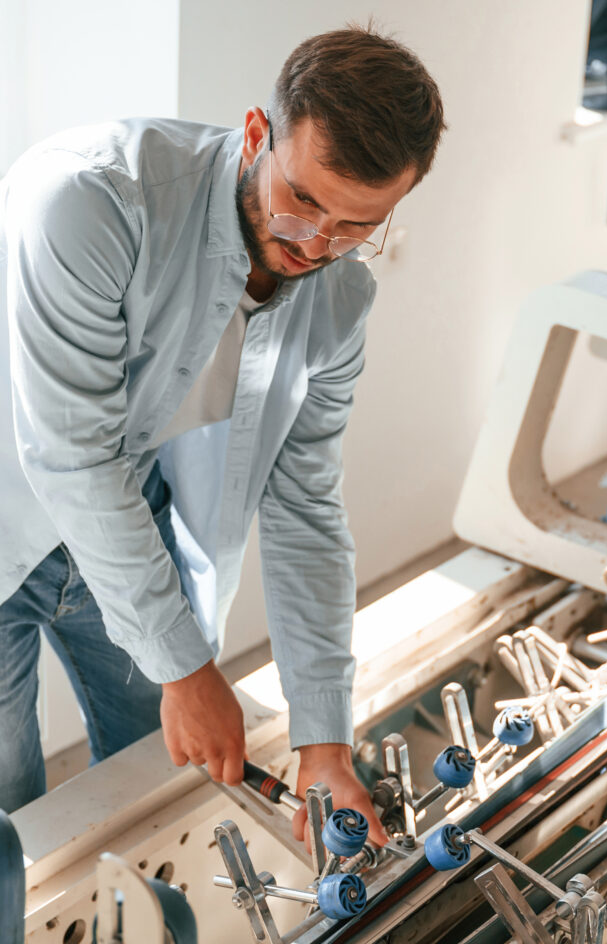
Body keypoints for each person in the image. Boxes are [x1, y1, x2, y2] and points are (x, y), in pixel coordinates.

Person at [0, 27, 445, 846]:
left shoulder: (339, 301)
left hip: (129, 532)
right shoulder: (90, 198)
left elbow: (305, 507)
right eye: (302, 200)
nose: (316, 245)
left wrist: (324, 742)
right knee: (13, 828)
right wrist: (185, 663)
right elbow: (74, 455)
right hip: (10, 517)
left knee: (152, 796)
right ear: (254, 134)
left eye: (356, 225)